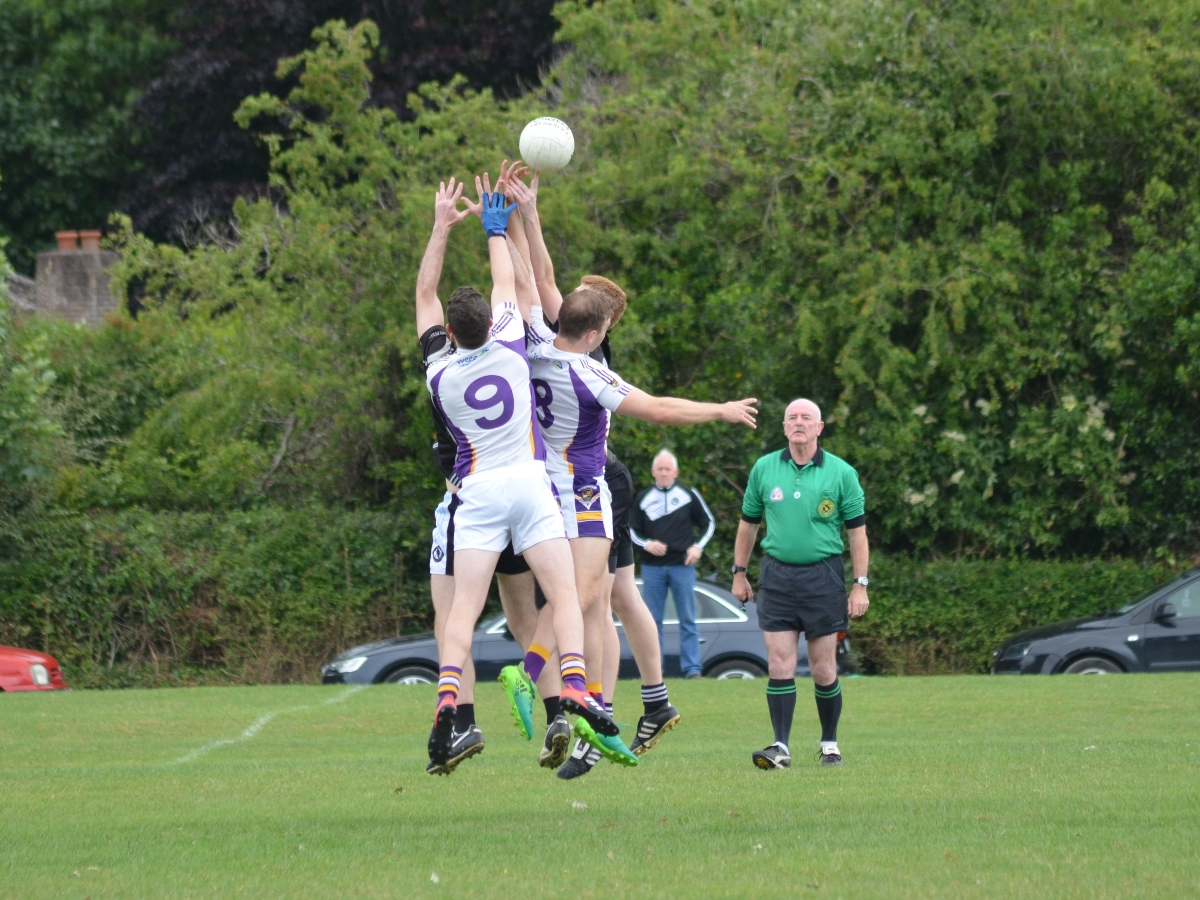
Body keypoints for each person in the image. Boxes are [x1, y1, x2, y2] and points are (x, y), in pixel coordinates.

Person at [506, 170, 756, 778]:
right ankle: (542, 675)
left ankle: (569, 689)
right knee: (588, 597)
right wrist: (721, 409)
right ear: (598, 332)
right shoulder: (592, 372)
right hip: (583, 486)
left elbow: (532, 280)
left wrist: (516, 218)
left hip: (535, 485)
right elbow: (662, 408)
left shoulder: (537, 337)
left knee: (585, 599)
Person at [418, 176, 618, 774]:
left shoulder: (438, 371)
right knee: (562, 600)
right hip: (533, 490)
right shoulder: (513, 343)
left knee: (458, 615)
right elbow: (516, 282)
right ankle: (574, 693)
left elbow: (426, 291)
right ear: (491, 320)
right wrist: (496, 225)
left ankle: (450, 711)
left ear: (449, 333)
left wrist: (440, 225)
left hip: (473, 494)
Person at [731, 398, 870, 769]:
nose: (799, 422)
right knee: (779, 663)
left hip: (823, 576)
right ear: (783, 427)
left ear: (819, 428)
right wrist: (739, 572)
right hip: (776, 575)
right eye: (792, 417)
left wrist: (860, 584)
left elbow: (857, 534)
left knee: (824, 667)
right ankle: (780, 746)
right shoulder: (764, 468)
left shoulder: (840, 473)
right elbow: (748, 524)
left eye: (806, 417)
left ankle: (829, 744)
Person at [630, 450, 717, 679]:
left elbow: (709, 523)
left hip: (682, 567)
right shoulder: (643, 498)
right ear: (653, 472)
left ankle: (692, 670)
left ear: (676, 472)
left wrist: (698, 547)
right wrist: (647, 544)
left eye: (668, 469)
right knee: (651, 622)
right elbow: (630, 529)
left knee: (688, 619)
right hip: (653, 569)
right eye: (660, 469)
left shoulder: (689, 495)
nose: (664, 473)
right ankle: (654, 672)